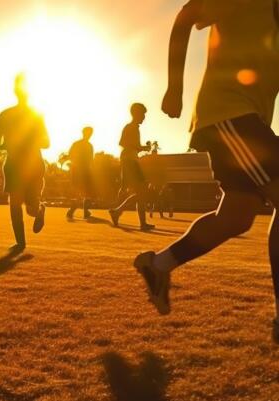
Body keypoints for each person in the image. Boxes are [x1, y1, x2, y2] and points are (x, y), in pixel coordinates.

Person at [134, 0, 279, 343]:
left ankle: (158, 266)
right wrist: (174, 87)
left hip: (246, 121)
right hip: (228, 113)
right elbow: (186, 16)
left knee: (236, 216)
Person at [0, 73, 50, 254]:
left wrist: (28, 141)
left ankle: (40, 209)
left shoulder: (36, 115)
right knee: (14, 202)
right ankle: (20, 243)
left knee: (30, 209)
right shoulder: (5, 114)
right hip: (13, 163)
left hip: (33, 163)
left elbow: (47, 142)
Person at [108, 103, 155, 231]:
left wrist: (141, 148)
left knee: (141, 192)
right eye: (143, 114)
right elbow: (122, 143)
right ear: (136, 114)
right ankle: (124, 214)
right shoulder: (130, 127)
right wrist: (141, 147)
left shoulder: (135, 128)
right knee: (141, 191)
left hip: (131, 160)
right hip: (129, 161)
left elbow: (132, 146)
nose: (144, 117)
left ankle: (118, 212)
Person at [64, 126, 95, 220]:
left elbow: (70, 155)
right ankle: (76, 211)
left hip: (79, 169)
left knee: (83, 192)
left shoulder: (78, 144)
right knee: (85, 192)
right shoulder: (89, 146)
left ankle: (77, 211)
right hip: (82, 170)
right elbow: (90, 160)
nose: (89, 135)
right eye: (89, 133)